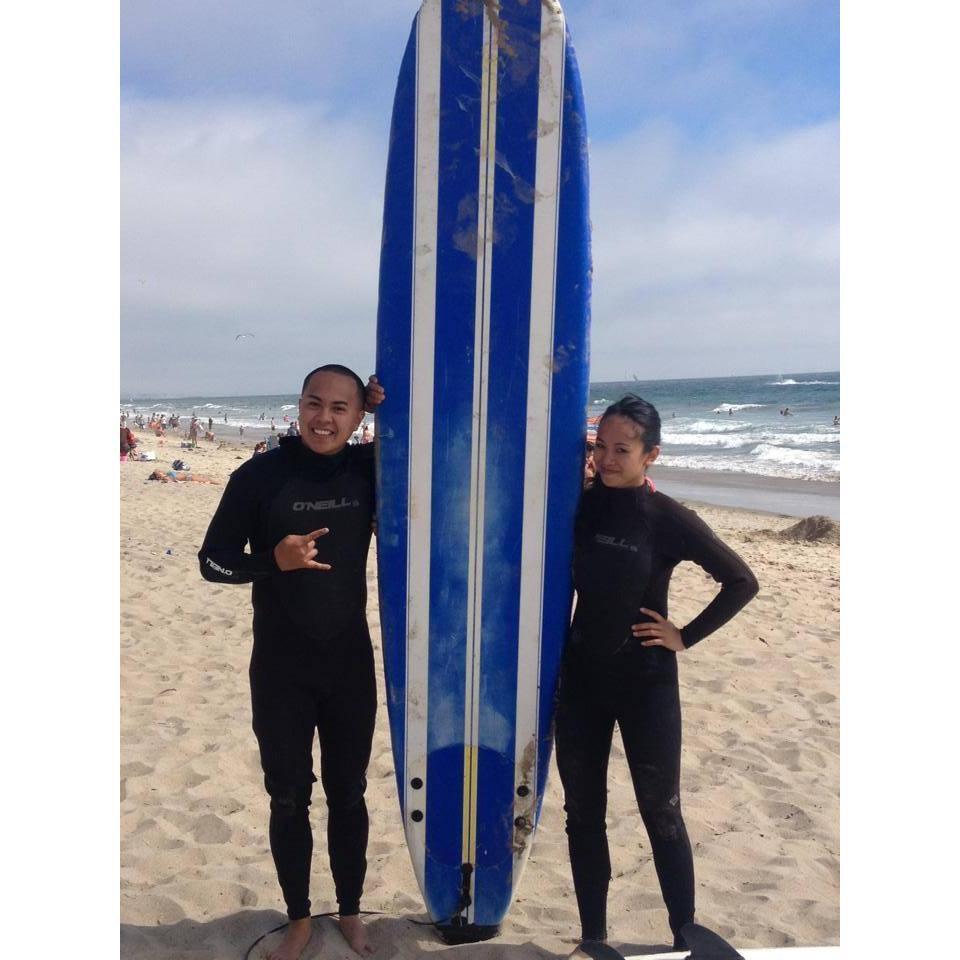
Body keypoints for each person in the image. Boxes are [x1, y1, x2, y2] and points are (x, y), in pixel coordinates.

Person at [556, 394, 758, 953]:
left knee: (662, 811)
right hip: (582, 681)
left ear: (652, 455)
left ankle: (683, 936)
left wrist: (684, 635)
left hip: (646, 683)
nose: (607, 458)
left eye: (622, 449)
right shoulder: (579, 505)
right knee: (582, 814)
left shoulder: (665, 517)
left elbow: (741, 581)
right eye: (600, 446)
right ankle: (593, 937)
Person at [199, 366, 385, 960]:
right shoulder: (259, 476)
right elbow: (212, 561)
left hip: (348, 664)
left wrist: (393, 400)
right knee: (287, 797)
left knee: (349, 793)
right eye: (313, 403)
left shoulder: (373, 469)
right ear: (298, 406)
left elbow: (437, 440)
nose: (323, 418)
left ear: (358, 416)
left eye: (339, 408)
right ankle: (299, 919)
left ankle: (351, 912)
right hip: (281, 668)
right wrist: (270, 561)